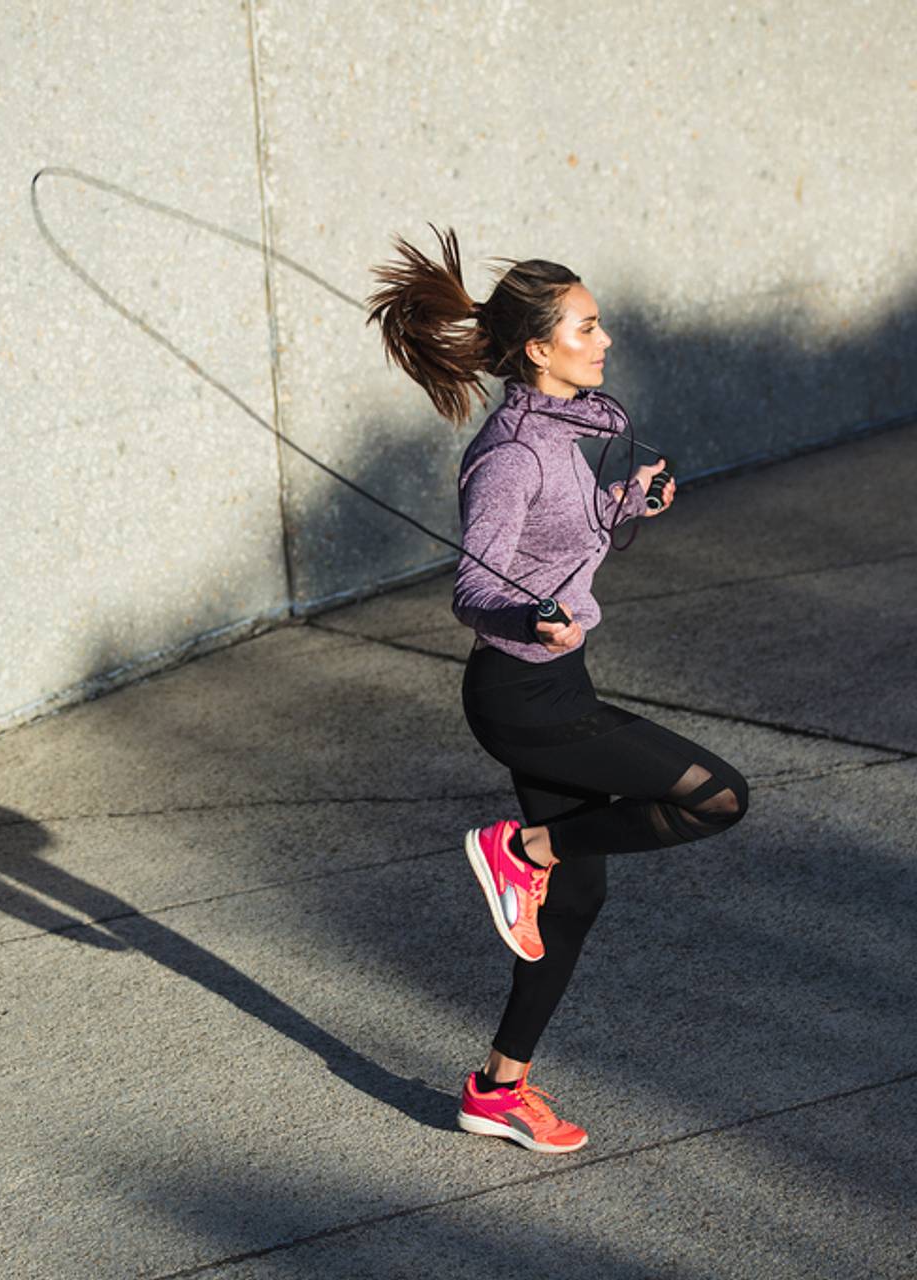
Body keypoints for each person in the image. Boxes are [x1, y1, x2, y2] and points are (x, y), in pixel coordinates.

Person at [367, 229, 748, 1153]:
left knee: (575, 906)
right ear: (539, 349)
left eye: (600, 322)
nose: (604, 339)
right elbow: (476, 587)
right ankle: (522, 845)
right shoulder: (510, 455)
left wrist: (628, 505)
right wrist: (528, 618)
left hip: (554, 681)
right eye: (587, 326)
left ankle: (499, 1089)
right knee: (718, 796)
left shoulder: (581, 427)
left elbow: (569, 532)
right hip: (524, 698)